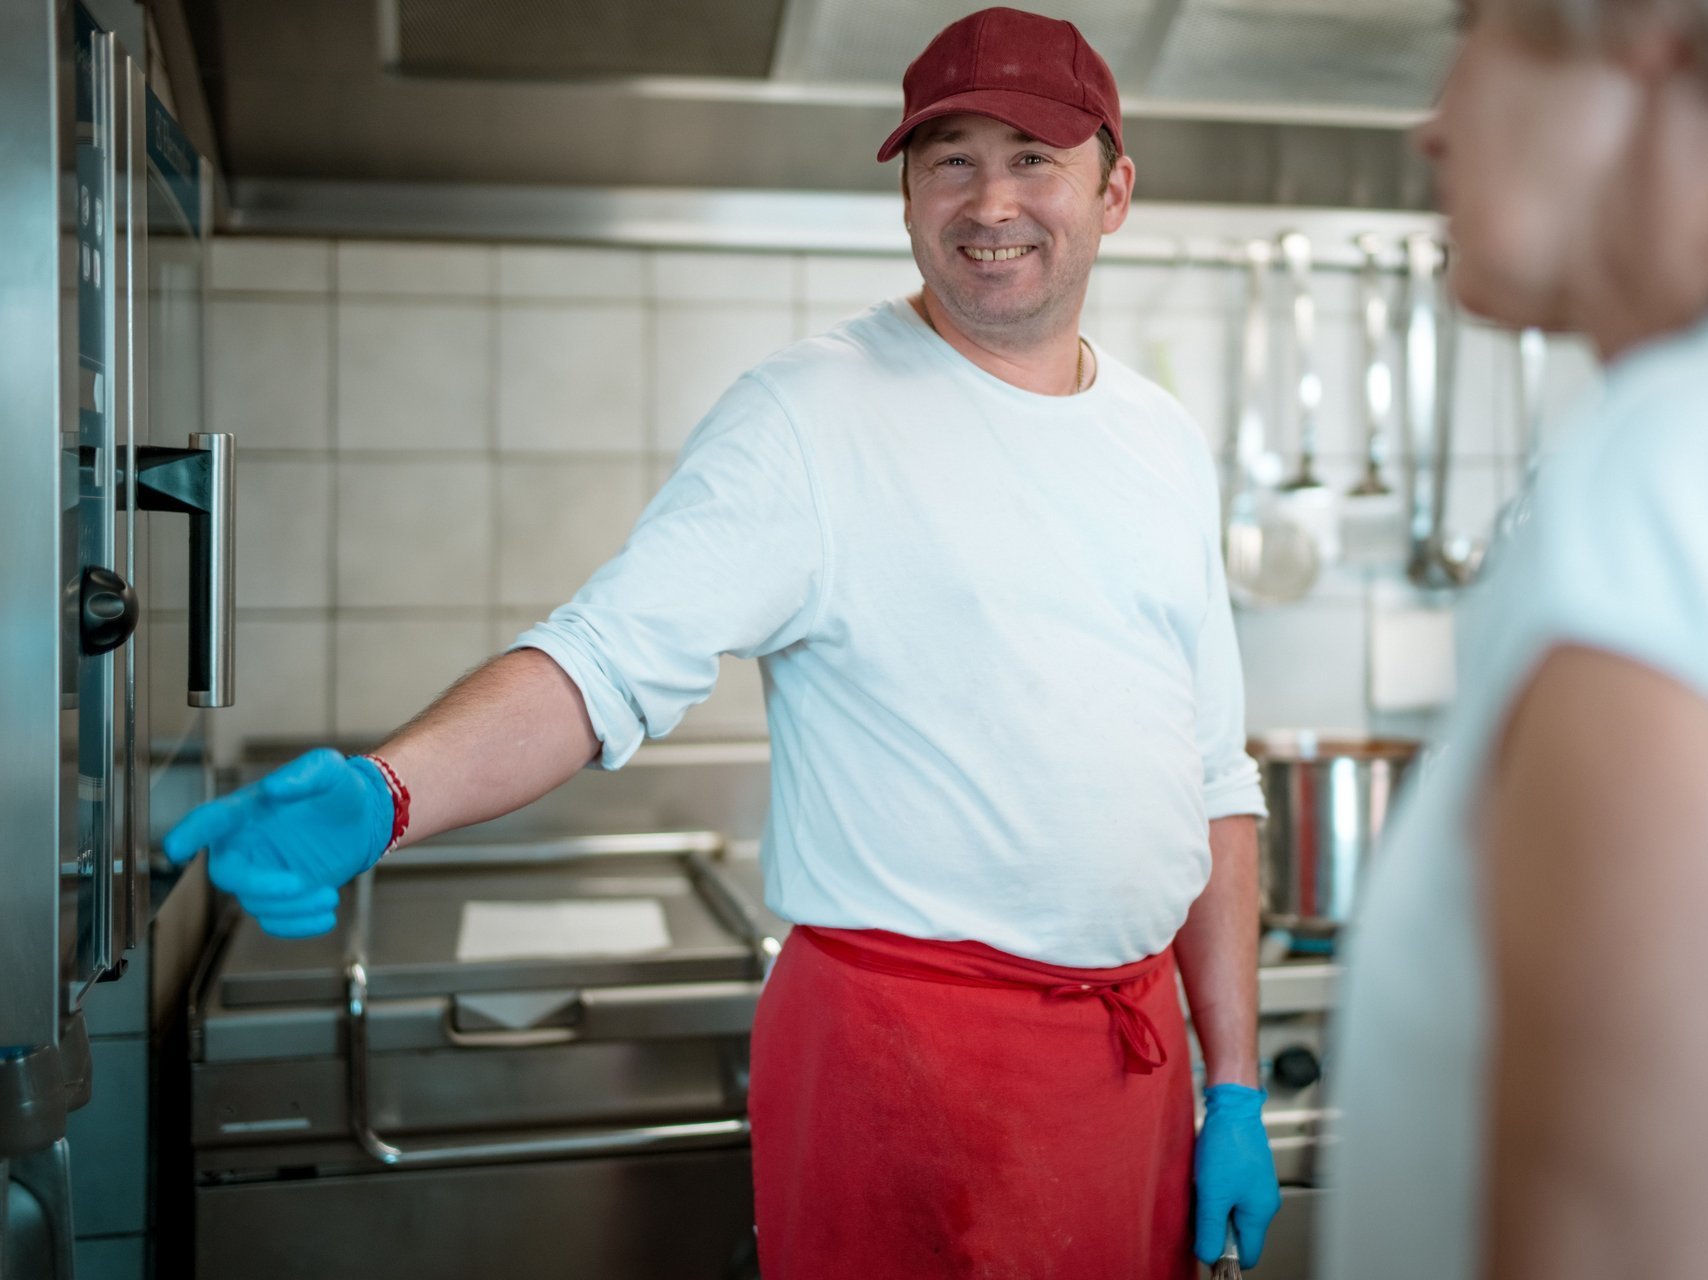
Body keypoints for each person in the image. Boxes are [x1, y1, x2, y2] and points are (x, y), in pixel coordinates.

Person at [166, 8, 1281, 1276]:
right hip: (905, 1070)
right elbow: (601, 662)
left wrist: (1232, 1082)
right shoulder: (808, 417)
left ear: (1113, 191)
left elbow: (1212, 783)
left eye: (1033, 155)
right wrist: (389, 787)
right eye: (950, 158)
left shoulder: (1162, 441)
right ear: (907, 189)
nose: (991, 200)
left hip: (1130, 1065)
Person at [1321, 1, 1708, 1277]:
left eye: (1474, 32)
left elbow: (1609, 1226)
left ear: (1644, 30)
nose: (1432, 125)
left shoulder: (1650, 471)